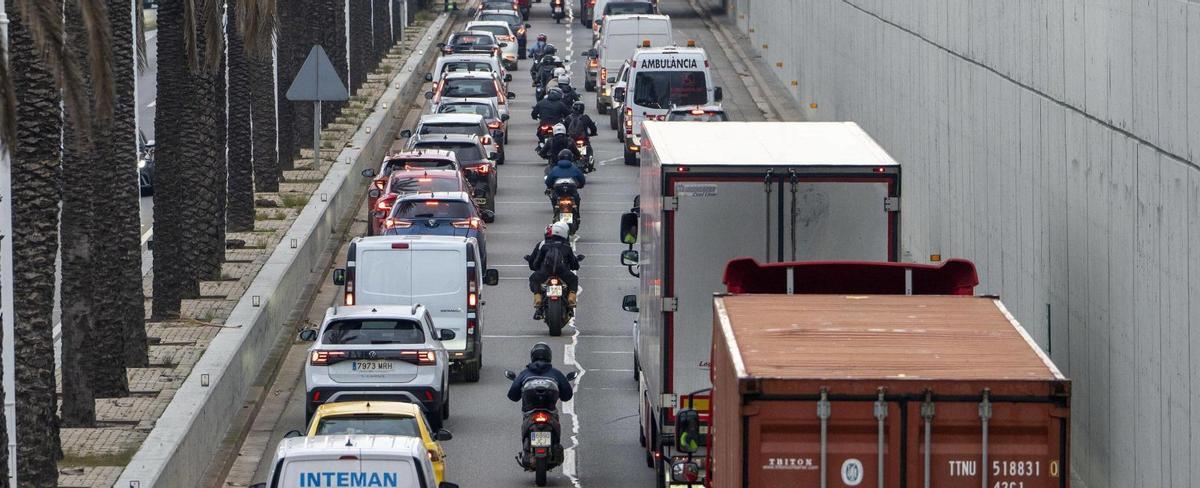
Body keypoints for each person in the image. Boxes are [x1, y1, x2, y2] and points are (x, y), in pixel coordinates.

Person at [525, 222, 580, 317]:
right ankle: (571, 297)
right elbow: (574, 264)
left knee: (534, 279)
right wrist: (574, 266)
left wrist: (536, 267)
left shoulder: (544, 245)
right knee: (573, 279)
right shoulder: (566, 246)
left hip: (546, 272)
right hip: (562, 272)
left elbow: (536, 262)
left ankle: (538, 297)